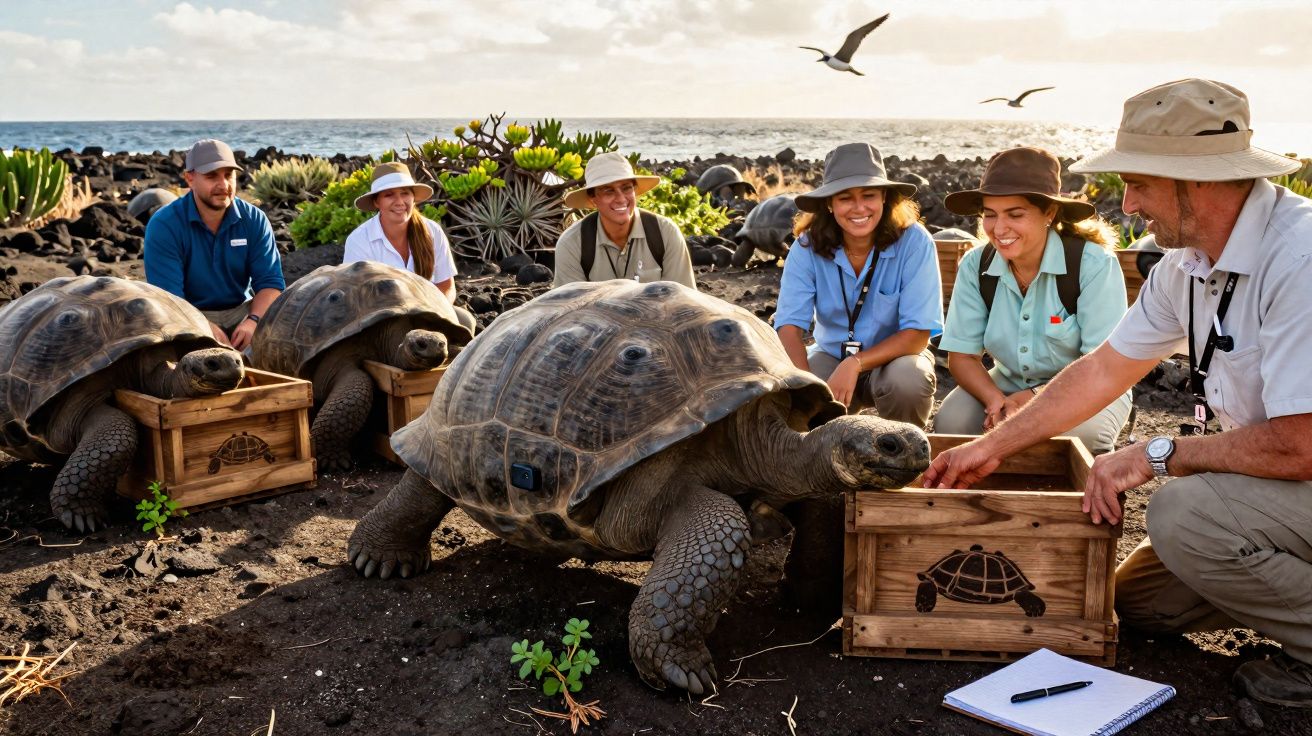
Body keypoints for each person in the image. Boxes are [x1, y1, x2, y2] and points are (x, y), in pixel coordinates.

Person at [923, 79, 1312, 708]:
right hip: (1277, 490)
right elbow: (1102, 371)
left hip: (1301, 473)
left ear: (1201, 178)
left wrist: (1156, 454)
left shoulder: (1301, 258)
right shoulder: (1184, 266)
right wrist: (990, 447)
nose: (1127, 204)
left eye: (1139, 182)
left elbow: (1302, 447)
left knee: (1182, 513)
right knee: (1138, 604)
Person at [935, 147, 1131, 454]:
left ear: (1049, 213)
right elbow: (962, 357)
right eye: (990, 215)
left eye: (1015, 214)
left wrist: (1031, 402)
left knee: (1084, 439)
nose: (999, 229)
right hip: (1007, 383)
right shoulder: (976, 265)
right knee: (952, 424)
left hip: (1092, 387)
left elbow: (1102, 366)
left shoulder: (1093, 265)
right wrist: (994, 400)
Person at [773, 142, 941, 424]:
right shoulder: (806, 247)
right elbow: (788, 327)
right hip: (830, 355)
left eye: (869, 195)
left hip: (896, 358)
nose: (859, 207)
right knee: (798, 398)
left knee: (909, 381)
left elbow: (918, 334)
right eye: (845, 198)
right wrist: (805, 392)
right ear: (829, 203)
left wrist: (856, 363)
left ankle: (906, 459)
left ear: (885, 198)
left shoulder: (915, 241)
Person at [144, 139, 284, 351]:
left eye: (229, 175)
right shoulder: (164, 225)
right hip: (187, 316)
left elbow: (270, 283)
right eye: (212, 176)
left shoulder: (254, 219)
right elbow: (170, 300)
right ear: (190, 178)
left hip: (243, 312)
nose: (224, 185)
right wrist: (203, 326)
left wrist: (253, 321)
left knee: (283, 341)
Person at [553, 152, 696, 288]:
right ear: (593, 198)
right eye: (608, 191)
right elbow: (569, 309)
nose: (621, 198)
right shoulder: (572, 244)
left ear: (635, 191)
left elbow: (684, 300)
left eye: (626, 188)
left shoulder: (665, 233)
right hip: (594, 315)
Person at [343, 162, 458, 304]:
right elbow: (358, 298)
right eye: (389, 195)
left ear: (413, 198)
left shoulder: (432, 231)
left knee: (466, 321)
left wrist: (439, 314)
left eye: (405, 193)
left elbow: (446, 286)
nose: (399, 202)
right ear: (376, 202)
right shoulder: (359, 241)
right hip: (382, 319)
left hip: (430, 313)